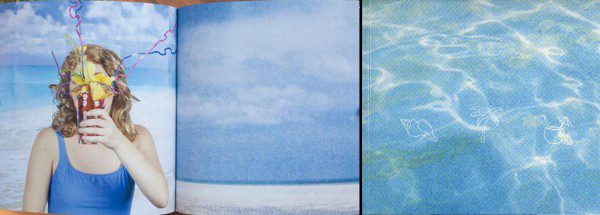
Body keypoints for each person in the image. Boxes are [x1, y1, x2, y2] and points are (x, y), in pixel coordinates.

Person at [22, 44, 168, 214]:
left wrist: (118, 141)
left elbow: (161, 199)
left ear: (115, 90)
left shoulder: (138, 138)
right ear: (70, 93)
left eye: (98, 81)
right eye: (80, 82)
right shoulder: (49, 140)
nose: (89, 91)